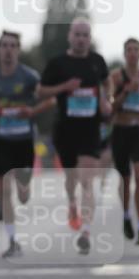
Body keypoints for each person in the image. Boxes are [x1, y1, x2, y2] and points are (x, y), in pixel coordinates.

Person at [37, 19, 111, 255]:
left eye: (85, 35)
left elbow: (106, 82)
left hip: (90, 129)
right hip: (65, 130)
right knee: (71, 178)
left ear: (90, 38)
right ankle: (71, 203)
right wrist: (64, 87)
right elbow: (40, 91)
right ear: (70, 36)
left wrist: (105, 100)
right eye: (77, 34)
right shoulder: (58, 63)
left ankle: (86, 232)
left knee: (87, 180)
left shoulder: (97, 61)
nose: (81, 39)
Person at [0, 31, 54, 258]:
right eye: (4, 45)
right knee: (4, 190)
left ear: (18, 50)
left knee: (22, 195)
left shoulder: (29, 77)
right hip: (1, 140)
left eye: (13, 46)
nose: (8, 50)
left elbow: (50, 100)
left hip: (23, 140)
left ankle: (26, 185)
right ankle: (12, 241)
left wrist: (32, 111)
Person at [110, 38, 139, 245]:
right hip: (121, 130)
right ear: (124, 53)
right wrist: (127, 90)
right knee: (125, 179)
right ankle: (127, 216)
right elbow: (111, 105)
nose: (132, 53)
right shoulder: (116, 77)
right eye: (129, 49)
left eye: (136, 49)